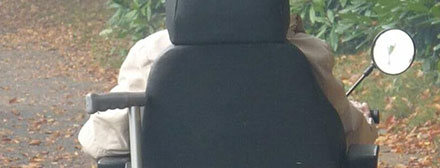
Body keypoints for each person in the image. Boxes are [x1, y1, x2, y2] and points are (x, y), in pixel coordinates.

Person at [78, 15, 377, 160]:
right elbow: (349, 134)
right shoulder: (310, 55)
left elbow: (103, 142)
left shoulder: (153, 55)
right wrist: (361, 118)